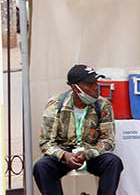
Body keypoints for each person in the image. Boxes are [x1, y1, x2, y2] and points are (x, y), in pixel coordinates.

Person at [35, 65, 123, 195]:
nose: (95, 87)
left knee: (113, 162)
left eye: (96, 83)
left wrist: (87, 154)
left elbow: (108, 141)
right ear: (75, 88)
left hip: (91, 152)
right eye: (89, 84)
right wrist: (65, 155)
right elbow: (46, 143)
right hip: (64, 154)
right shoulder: (55, 105)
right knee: (41, 167)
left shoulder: (103, 105)